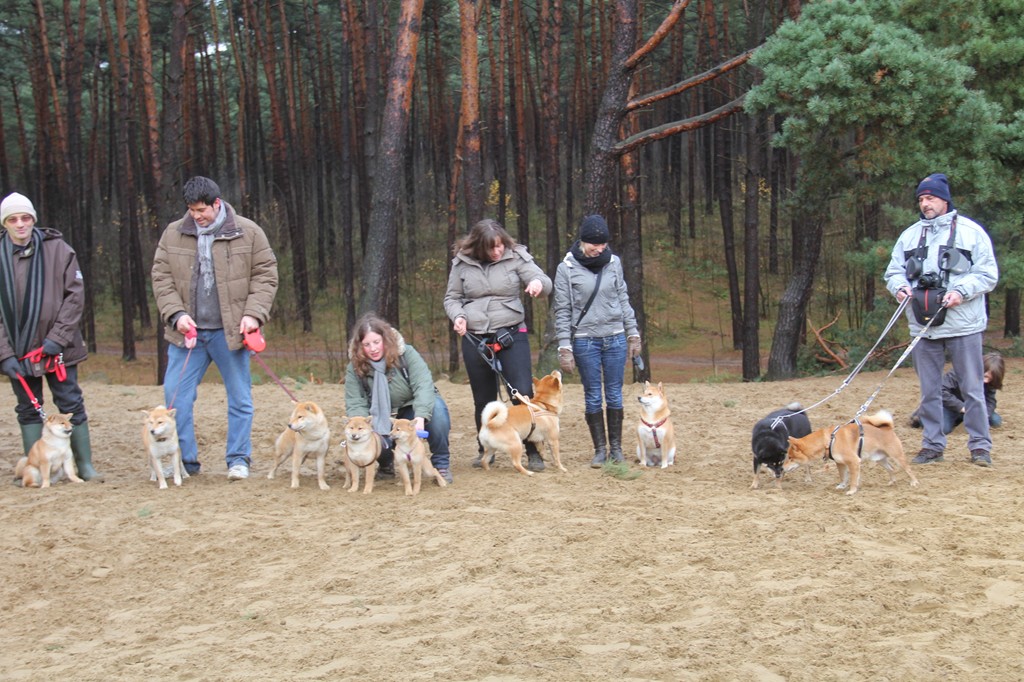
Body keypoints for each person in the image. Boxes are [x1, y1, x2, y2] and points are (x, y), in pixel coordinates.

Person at [151, 176, 278, 480]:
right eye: (191, 210)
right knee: (175, 398)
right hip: (187, 335)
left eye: (202, 210)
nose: (196, 216)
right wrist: (176, 314)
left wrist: (253, 315)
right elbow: (161, 278)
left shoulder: (249, 232)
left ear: (216, 204)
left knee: (240, 398)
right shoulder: (172, 234)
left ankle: (238, 459)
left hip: (230, 333)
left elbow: (266, 275)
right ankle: (183, 462)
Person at [884, 173, 998, 467]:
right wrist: (899, 287)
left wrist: (961, 290)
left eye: (931, 198)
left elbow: (987, 274)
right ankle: (932, 445)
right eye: (921, 199)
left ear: (944, 199)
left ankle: (980, 447)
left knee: (972, 388)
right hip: (923, 326)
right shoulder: (909, 236)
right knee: (929, 391)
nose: (925, 203)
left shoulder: (972, 233)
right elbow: (894, 271)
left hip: (964, 325)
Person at [0, 192, 101, 480]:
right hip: (17, 351)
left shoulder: (58, 249)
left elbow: (75, 296)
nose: (21, 224)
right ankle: (35, 468)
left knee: (70, 402)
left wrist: (57, 337)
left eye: (25, 217)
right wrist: (4, 354)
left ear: (33, 219)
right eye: (13, 219)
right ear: (5, 223)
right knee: (28, 408)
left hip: (59, 349)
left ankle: (85, 466)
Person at [444, 218, 552, 471]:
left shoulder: (516, 256)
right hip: (476, 336)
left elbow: (542, 279)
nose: (497, 251)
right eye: (491, 248)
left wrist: (538, 284)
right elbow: (452, 298)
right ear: (479, 248)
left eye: (500, 245)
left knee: (522, 393)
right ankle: (486, 448)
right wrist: (458, 316)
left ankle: (533, 450)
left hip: (511, 334)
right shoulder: (461, 263)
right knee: (483, 398)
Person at [552, 215, 641, 467]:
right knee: (592, 396)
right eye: (595, 244)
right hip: (585, 341)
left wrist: (632, 332)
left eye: (604, 244)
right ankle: (599, 450)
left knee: (614, 394)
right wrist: (564, 346)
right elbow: (563, 310)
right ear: (583, 241)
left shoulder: (613, 263)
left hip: (614, 338)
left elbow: (623, 298)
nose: (600, 249)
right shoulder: (566, 269)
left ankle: (617, 448)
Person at [344, 313, 453, 484]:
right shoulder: (354, 367)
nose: (373, 348)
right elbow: (355, 401)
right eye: (367, 344)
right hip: (380, 416)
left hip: (410, 408)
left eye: (376, 342)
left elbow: (424, 385)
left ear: (385, 340)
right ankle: (386, 463)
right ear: (359, 347)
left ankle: (441, 464)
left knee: (437, 413)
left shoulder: (407, 354)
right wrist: (362, 425)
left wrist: (421, 416)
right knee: (372, 437)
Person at [909, 351, 1005, 433]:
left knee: (995, 421)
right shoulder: (958, 372)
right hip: (947, 406)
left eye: (990, 379)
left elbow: (991, 401)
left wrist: (984, 416)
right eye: (986, 377)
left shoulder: (990, 382)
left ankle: (959, 420)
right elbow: (941, 391)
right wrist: (962, 407)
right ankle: (923, 414)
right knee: (943, 429)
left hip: (972, 407)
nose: (986, 381)